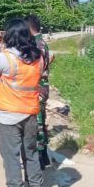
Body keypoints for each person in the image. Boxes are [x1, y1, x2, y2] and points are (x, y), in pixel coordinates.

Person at [0, 19, 44, 187]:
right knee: (31, 153)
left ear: (10, 35)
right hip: (31, 112)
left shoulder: (5, 58)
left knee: (11, 157)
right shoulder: (38, 58)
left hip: (9, 115)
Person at [25, 15, 54, 169]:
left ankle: (41, 156)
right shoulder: (41, 42)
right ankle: (44, 156)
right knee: (40, 119)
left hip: (38, 87)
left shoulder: (37, 44)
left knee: (37, 122)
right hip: (42, 86)